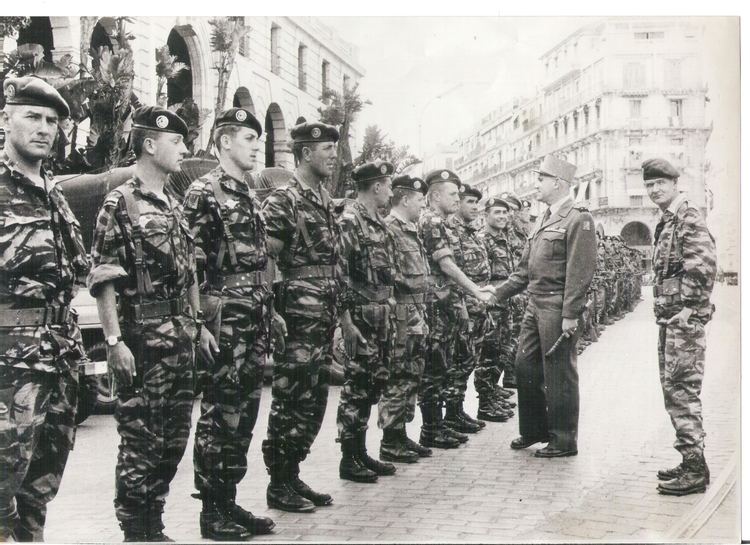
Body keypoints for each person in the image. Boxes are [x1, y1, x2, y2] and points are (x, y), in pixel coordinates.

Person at [88, 106, 217, 541]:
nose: (184, 149)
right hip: (143, 344)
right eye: (176, 142)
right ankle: (136, 529)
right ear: (149, 144)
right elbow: (104, 276)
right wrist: (112, 341)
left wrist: (198, 324)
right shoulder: (120, 202)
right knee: (141, 442)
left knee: (174, 440)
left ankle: (154, 521)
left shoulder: (175, 205)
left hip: (180, 342)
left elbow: (191, 272)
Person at [0, 77, 89, 542]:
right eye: (32, 116)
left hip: (57, 361)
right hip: (8, 368)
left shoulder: (54, 194)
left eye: (52, 120)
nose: (44, 128)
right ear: (5, 119)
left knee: (39, 489)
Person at [182, 108, 277, 539]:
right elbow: (189, 266)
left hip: (254, 314)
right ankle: (211, 511)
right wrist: (199, 322)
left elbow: (260, 260)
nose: (257, 146)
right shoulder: (204, 193)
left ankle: (228, 500)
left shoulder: (248, 192)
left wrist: (270, 310)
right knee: (221, 413)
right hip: (225, 318)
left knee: (247, 410)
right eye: (249, 139)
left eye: (258, 139)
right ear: (224, 143)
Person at [261, 121, 341, 512]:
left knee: (313, 400)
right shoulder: (284, 199)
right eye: (327, 148)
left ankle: (293, 473)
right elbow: (267, 258)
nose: (333, 155)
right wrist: (272, 311)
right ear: (306, 153)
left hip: (322, 316)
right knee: (290, 398)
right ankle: (278, 483)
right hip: (297, 316)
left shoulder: (324, 198)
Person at [493, 155, 596, 458]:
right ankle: (534, 430)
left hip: (556, 306)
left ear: (558, 183)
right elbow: (524, 270)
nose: (536, 184)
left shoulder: (578, 218)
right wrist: (497, 294)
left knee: (559, 373)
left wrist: (570, 314)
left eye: (541, 179)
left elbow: (581, 271)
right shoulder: (542, 218)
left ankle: (564, 439)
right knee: (524, 366)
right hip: (534, 304)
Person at [642, 158, 716, 496]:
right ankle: (690, 460)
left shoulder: (687, 216)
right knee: (674, 389)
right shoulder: (668, 219)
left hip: (683, 321)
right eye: (649, 185)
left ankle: (695, 469)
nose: (655, 189)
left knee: (682, 390)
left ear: (674, 184)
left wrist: (688, 309)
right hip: (672, 320)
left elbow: (702, 264)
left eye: (660, 183)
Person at [418, 169, 494, 449]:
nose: (457, 198)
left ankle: (441, 423)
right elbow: (447, 264)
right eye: (453, 194)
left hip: (446, 303)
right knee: (435, 365)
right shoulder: (432, 221)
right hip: (436, 304)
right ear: (435, 195)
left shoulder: (441, 221)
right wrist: (475, 290)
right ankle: (431, 428)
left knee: (445, 363)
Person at [336, 160, 398, 482]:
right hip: (361, 316)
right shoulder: (350, 222)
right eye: (387, 185)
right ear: (376, 186)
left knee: (373, 385)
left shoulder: (379, 223)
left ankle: (361, 452)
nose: (390, 191)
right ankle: (349, 458)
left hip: (381, 316)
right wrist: (345, 321)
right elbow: (340, 274)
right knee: (356, 389)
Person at [378, 174, 433, 463]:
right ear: (405, 199)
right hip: (401, 313)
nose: (422, 205)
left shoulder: (410, 229)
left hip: (416, 312)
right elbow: (389, 273)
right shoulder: (390, 229)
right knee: (398, 375)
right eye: (420, 200)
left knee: (412, 374)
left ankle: (400, 433)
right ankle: (390, 440)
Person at [445, 184, 493, 434]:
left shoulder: (472, 231)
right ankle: (450, 413)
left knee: (469, 360)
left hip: (477, 306)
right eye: (469, 202)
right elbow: (453, 270)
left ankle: (458, 410)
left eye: (477, 203)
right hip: (461, 304)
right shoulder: (451, 231)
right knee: (459, 359)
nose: (475, 207)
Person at [474, 197, 517, 423]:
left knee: (502, 349)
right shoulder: (483, 239)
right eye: (498, 212)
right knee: (488, 352)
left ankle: (492, 392)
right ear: (486, 215)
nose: (503, 216)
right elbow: (483, 276)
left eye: (505, 213)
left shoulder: (503, 239)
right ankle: (484, 402)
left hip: (506, 301)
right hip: (492, 303)